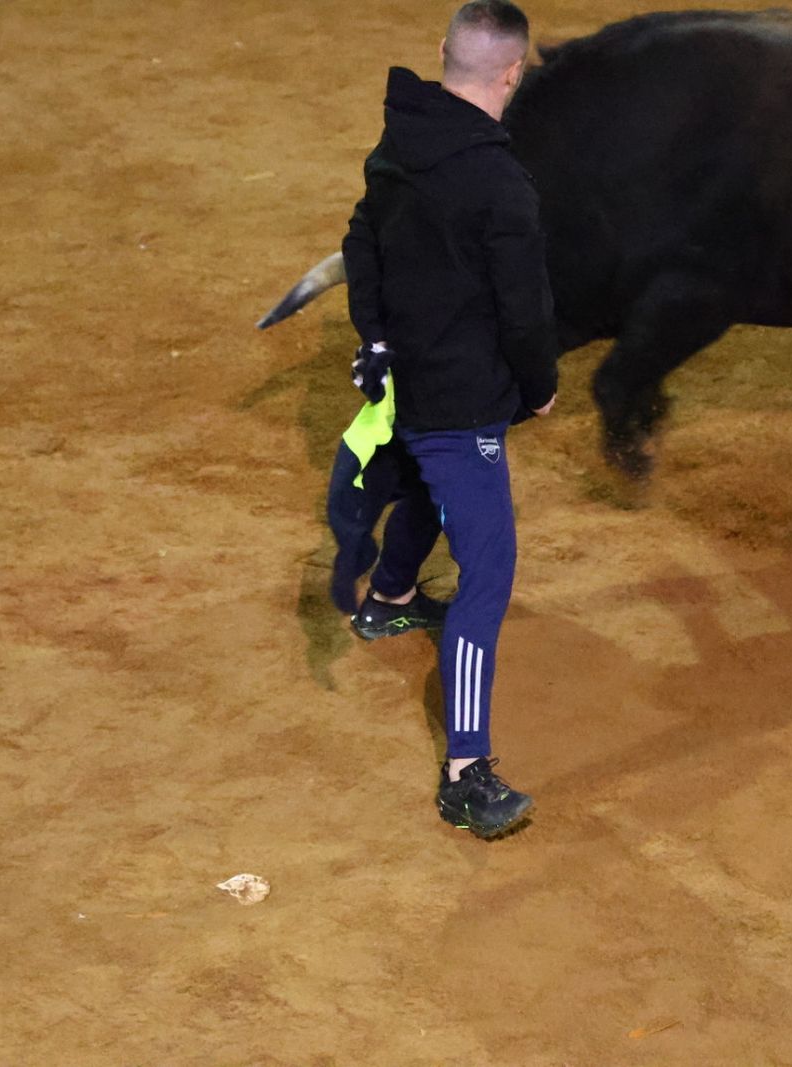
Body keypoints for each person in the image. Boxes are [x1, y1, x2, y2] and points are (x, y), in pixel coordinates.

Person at [338, 0, 557, 839]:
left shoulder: (398, 140)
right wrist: (538, 384)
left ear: (442, 55)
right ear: (513, 74)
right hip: (460, 399)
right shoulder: (502, 184)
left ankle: (389, 595)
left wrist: (378, 338)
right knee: (489, 572)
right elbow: (524, 311)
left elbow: (362, 238)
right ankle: (466, 773)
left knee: (431, 481)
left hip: (402, 381)